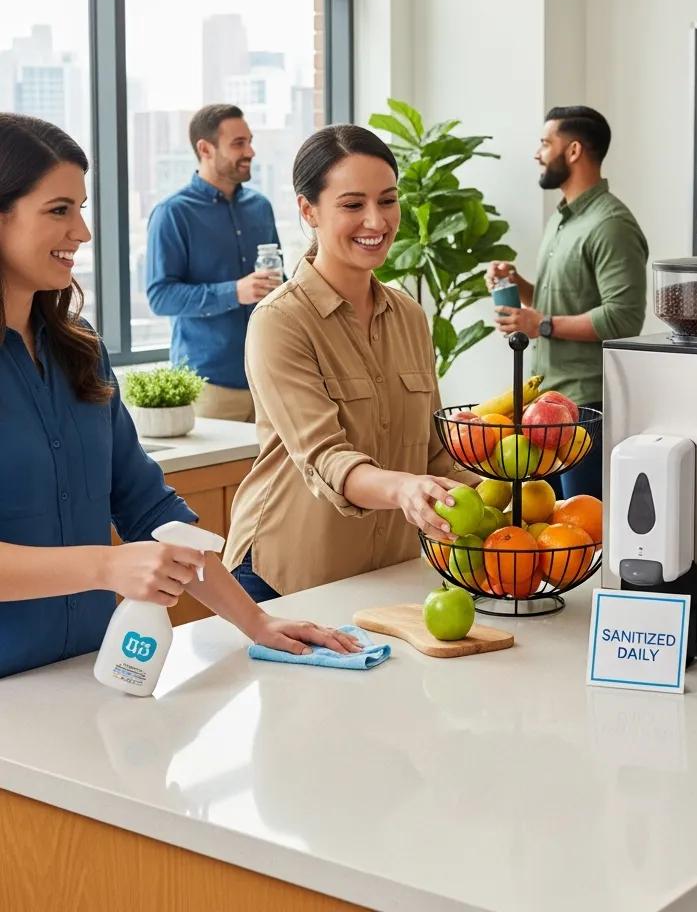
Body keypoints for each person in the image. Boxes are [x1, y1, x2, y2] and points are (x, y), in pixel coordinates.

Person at [0, 113, 360, 680]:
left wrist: (257, 623)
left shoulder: (80, 350)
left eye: (81, 208)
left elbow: (148, 507)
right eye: (58, 210)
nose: (83, 233)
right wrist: (106, 566)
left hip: (85, 677)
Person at [223, 125, 474, 602]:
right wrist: (403, 490)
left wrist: (518, 503)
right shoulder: (280, 321)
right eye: (353, 205)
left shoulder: (410, 318)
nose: (377, 222)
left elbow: (435, 453)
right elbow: (324, 457)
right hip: (284, 580)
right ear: (308, 210)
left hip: (386, 577)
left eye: (388, 200)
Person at [486, 106, 648, 500]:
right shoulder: (563, 219)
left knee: (581, 525)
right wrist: (518, 284)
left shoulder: (611, 225)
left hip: (585, 408)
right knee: (547, 521)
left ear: (573, 151)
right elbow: (562, 299)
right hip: (546, 403)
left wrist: (539, 325)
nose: (537, 154)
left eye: (545, 143)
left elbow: (624, 318)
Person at [146, 104, 282, 423]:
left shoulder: (260, 207)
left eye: (249, 141)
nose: (250, 151)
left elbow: (278, 278)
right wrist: (234, 292)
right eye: (238, 143)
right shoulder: (173, 213)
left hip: (270, 381)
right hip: (211, 386)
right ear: (205, 149)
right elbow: (160, 296)